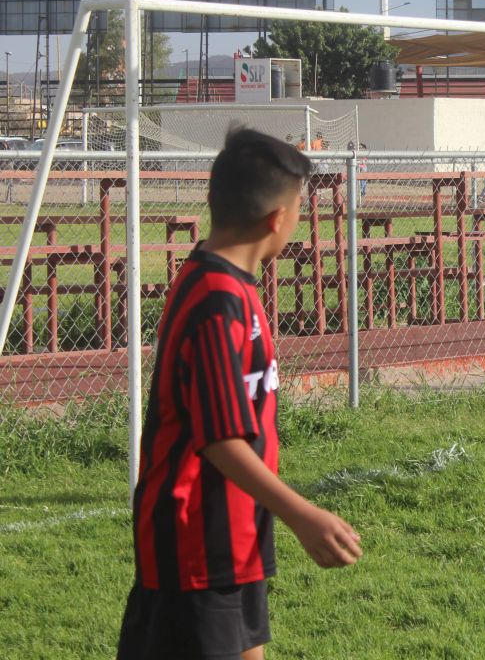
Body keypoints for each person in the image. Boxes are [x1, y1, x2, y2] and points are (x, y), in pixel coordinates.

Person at [117, 127, 363, 659]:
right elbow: (220, 439)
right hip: (193, 544)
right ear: (277, 219)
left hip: (237, 532)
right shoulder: (214, 300)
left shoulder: (234, 283)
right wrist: (303, 515)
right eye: (298, 209)